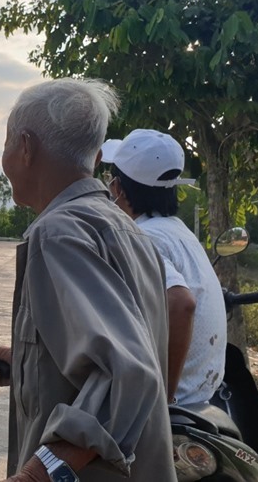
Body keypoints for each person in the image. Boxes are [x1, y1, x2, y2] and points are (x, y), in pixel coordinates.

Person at [0, 79, 176, 482]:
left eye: (7, 142)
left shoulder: (58, 233)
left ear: (25, 148)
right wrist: (31, 363)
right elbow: (125, 345)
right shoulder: (126, 229)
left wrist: (37, 474)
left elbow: (128, 375)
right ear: (99, 156)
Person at [100, 129, 226, 406]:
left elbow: (181, 303)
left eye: (109, 181)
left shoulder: (142, 237)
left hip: (178, 399)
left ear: (118, 189)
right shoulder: (177, 230)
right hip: (202, 392)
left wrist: (163, 398)